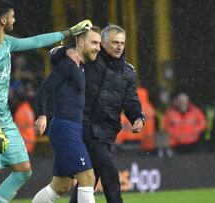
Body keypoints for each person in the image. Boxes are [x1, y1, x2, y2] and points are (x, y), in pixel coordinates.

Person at [0, 0, 93, 202]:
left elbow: (35, 42)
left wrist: (69, 32)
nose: (15, 19)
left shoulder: (6, 42)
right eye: (12, 16)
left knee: (23, 170)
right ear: (3, 19)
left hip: (4, 117)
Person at [51, 24, 145, 203]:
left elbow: (131, 100)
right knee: (109, 173)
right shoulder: (90, 59)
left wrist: (138, 117)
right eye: (115, 42)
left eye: (122, 43)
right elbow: (54, 55)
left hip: (106, 132)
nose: (119, 46)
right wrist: (65, 51)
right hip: (85, 127)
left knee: (89, 178)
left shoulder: (128, 72)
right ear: (102, 43)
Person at [32, 26, 101, 203]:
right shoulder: (68, 64)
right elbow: (43, 90)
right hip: (65, 127)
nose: (98, 47)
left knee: (61, 185)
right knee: (87, 177)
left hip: (73, 127)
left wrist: (62, 50)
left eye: (99, 43)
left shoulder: (83, 66)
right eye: (94, 42)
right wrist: (42, 115)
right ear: (80, 42)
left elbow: (54, 53)